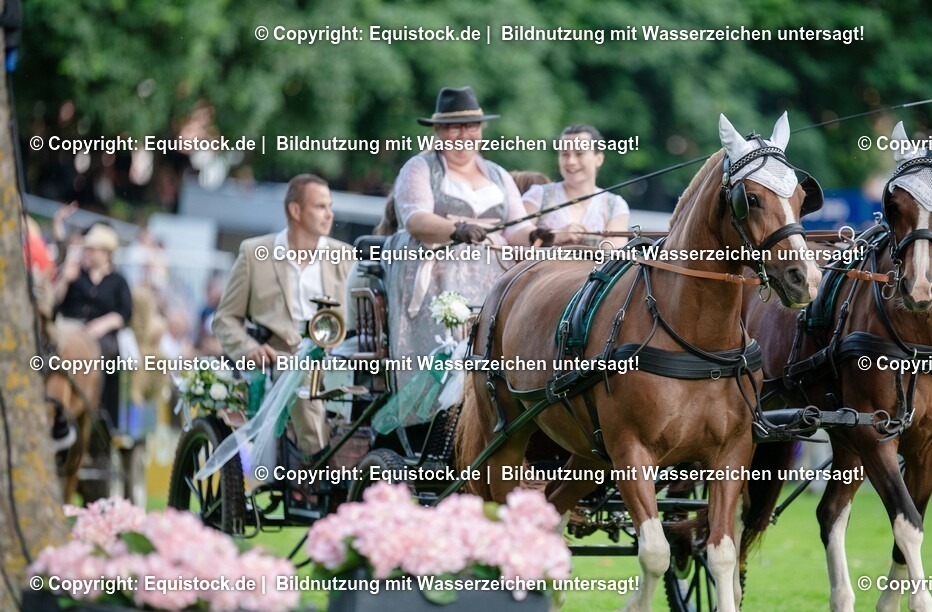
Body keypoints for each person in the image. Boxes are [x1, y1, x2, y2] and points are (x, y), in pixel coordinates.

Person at [386, 86, 529, 394]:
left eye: (471, 126)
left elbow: (516, 229)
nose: (464, 134)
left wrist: (537, 234)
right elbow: (415, 220)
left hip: (493, 278)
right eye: (454, 127)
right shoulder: (420, 167)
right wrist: (457, 230)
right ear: (438, 130)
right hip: (438, 276)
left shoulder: (498, 175)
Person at [213, 174, 355, 454]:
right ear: (295, 211)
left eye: (330, 206)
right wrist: (249, 349)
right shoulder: (255, 254)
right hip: (281, 361)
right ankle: (319, 471)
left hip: (340, 361)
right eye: (321, 207)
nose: (330, 215)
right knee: (302, 379)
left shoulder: (346, 256)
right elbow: (225, 318)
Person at [54, 222, 133, 425]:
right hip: (69, 327)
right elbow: (56, 301)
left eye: (91, 249)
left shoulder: (118, 281)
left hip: (100, 333)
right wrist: (65, 279)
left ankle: (97, 408)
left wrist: (101, 325)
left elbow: (124, 312)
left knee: (101, 352)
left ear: (106, 252)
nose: (86, 253)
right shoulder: (75, 274)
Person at [509, 124, 630, 248]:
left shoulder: (615, 205)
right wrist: (554, 237)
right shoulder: (539, 195)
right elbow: (512, 234)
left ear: (599, 158)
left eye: (579, 153)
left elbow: (614, 257)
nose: (571, 162)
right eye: (565, 154)